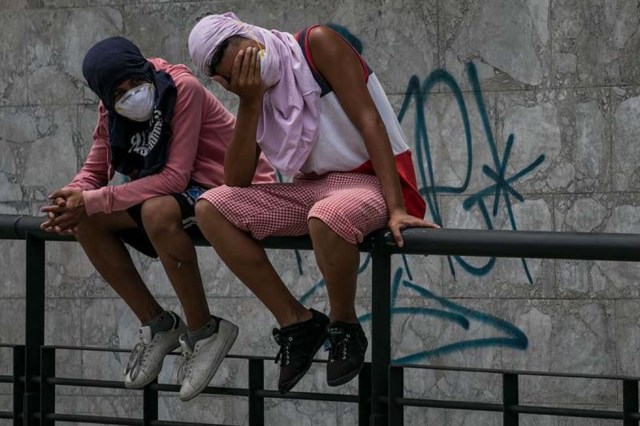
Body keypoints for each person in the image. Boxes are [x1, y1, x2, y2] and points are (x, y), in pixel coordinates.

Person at [187, 13, 439, 394]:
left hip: (368, 181)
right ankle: (297, 323)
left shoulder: (315, 45)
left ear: (246, 33)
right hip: (313, 187)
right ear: (223, 80)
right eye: (228, 69)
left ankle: (344, 327)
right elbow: (235, 182)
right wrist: (250, 103)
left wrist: (397, 206)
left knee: (327, 215)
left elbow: (371, 121)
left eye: (235, 48)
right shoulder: (258, 91)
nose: (242, 62)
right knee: (210, 207)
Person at [40, 36, 275, 401]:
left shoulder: (182, 89)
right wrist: (69, 198)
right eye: (119, 92)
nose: (132, 94)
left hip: (230, 187)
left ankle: (204, 330)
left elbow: (175, 178)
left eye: (135, 81)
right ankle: (158, 324)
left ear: (143, 68)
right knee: (85, 219)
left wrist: (91, 199)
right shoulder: (111, 111)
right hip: (176, 195)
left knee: (155, 209)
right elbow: (95, 169)